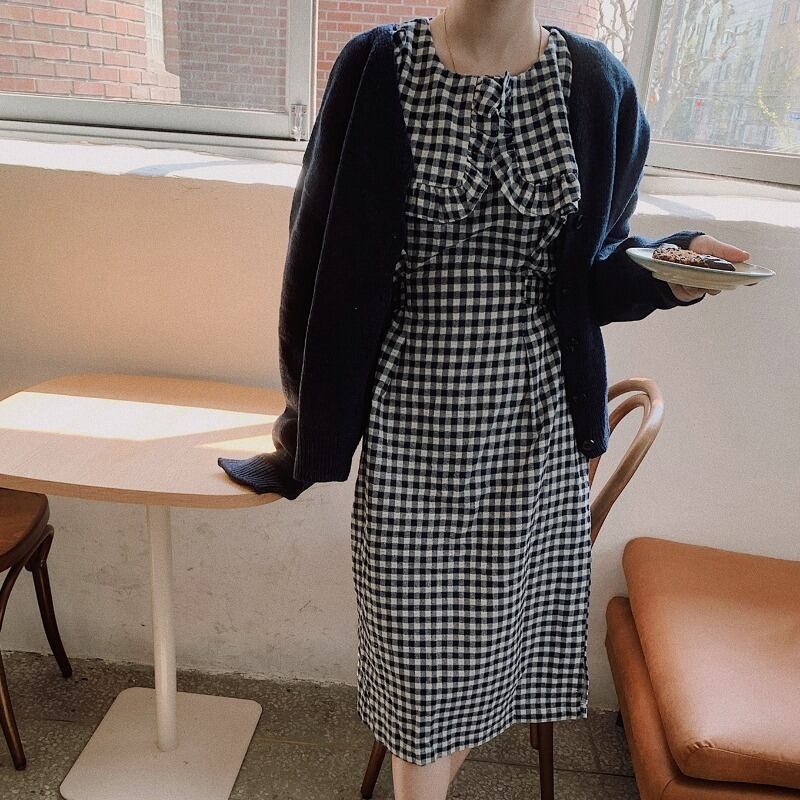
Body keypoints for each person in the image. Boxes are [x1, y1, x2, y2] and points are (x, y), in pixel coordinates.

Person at [219, 3, 750, 798]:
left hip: (536, 424)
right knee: (414, 656)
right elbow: (318, 255)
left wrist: (670, 270)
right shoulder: (376, 67)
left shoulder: (598, 85)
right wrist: (306, 427)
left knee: (496, 645)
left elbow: (596, 271)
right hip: (411, 415)